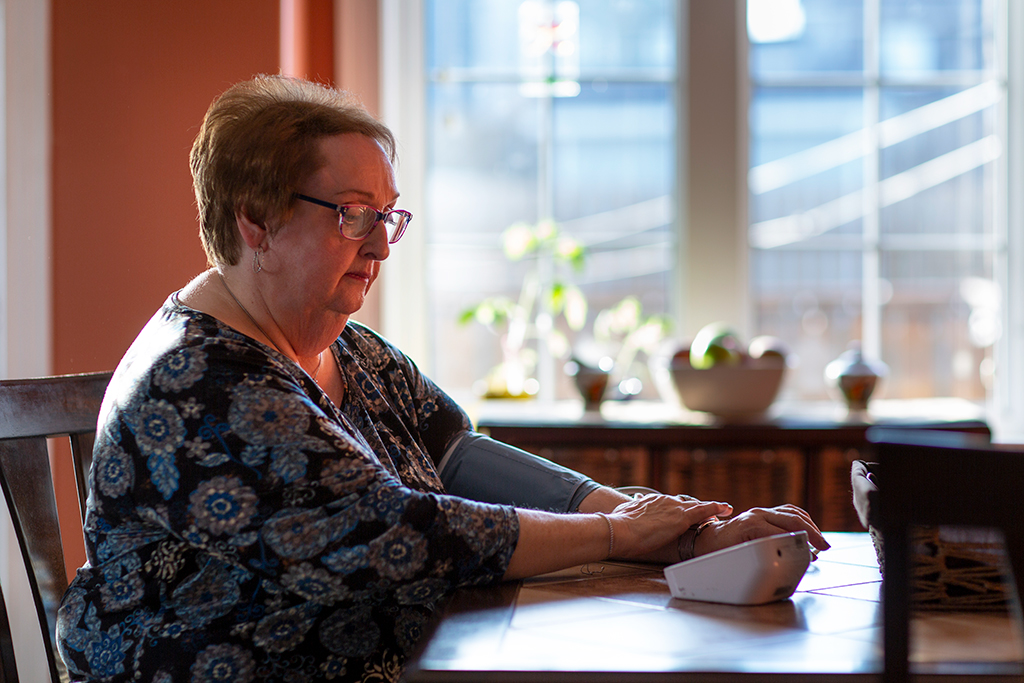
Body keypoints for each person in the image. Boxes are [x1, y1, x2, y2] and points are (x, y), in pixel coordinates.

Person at [56, 75, 828, 683]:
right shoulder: (201, 384)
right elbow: (402, 534)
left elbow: (462, 454)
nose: (380, 245)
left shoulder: (355, 352)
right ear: (254, 220)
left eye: (388, 215)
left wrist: (679, 529)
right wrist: (627, 533)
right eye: (353, 213)